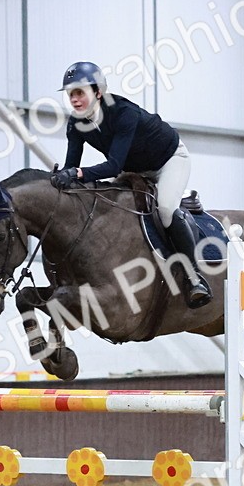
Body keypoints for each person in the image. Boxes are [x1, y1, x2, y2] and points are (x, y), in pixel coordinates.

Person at [51, 61, 211, 308]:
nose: (74, 99)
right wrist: (61, 177)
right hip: (133, 168)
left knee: (165, 208)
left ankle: (195, 278)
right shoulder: (76, 124)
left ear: (98, 92)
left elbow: (113, 166)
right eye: (71, 94)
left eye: (80, 92)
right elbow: (72, 166)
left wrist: (78, 173)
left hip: (168, 160)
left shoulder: (123, 113)